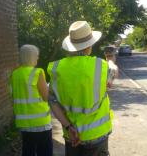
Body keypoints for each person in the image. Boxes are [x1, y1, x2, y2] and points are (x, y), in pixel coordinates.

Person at [47, 21, 113, 156]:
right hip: (97, 135)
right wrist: (111, 61)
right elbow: (112, 77)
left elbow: (52, 101)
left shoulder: (55, 69)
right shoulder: (101, 66)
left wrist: (68, 126)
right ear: (89, 46)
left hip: (71, 134)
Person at [10, 45, 52, 156]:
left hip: (23, 123)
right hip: (40, 122)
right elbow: (46, 97)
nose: (38, 58)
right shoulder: (37, 72)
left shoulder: (14, 74)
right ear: (32, 57)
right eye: (37, 56)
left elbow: (13, 94)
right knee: (44, 152)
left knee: (28, 150)